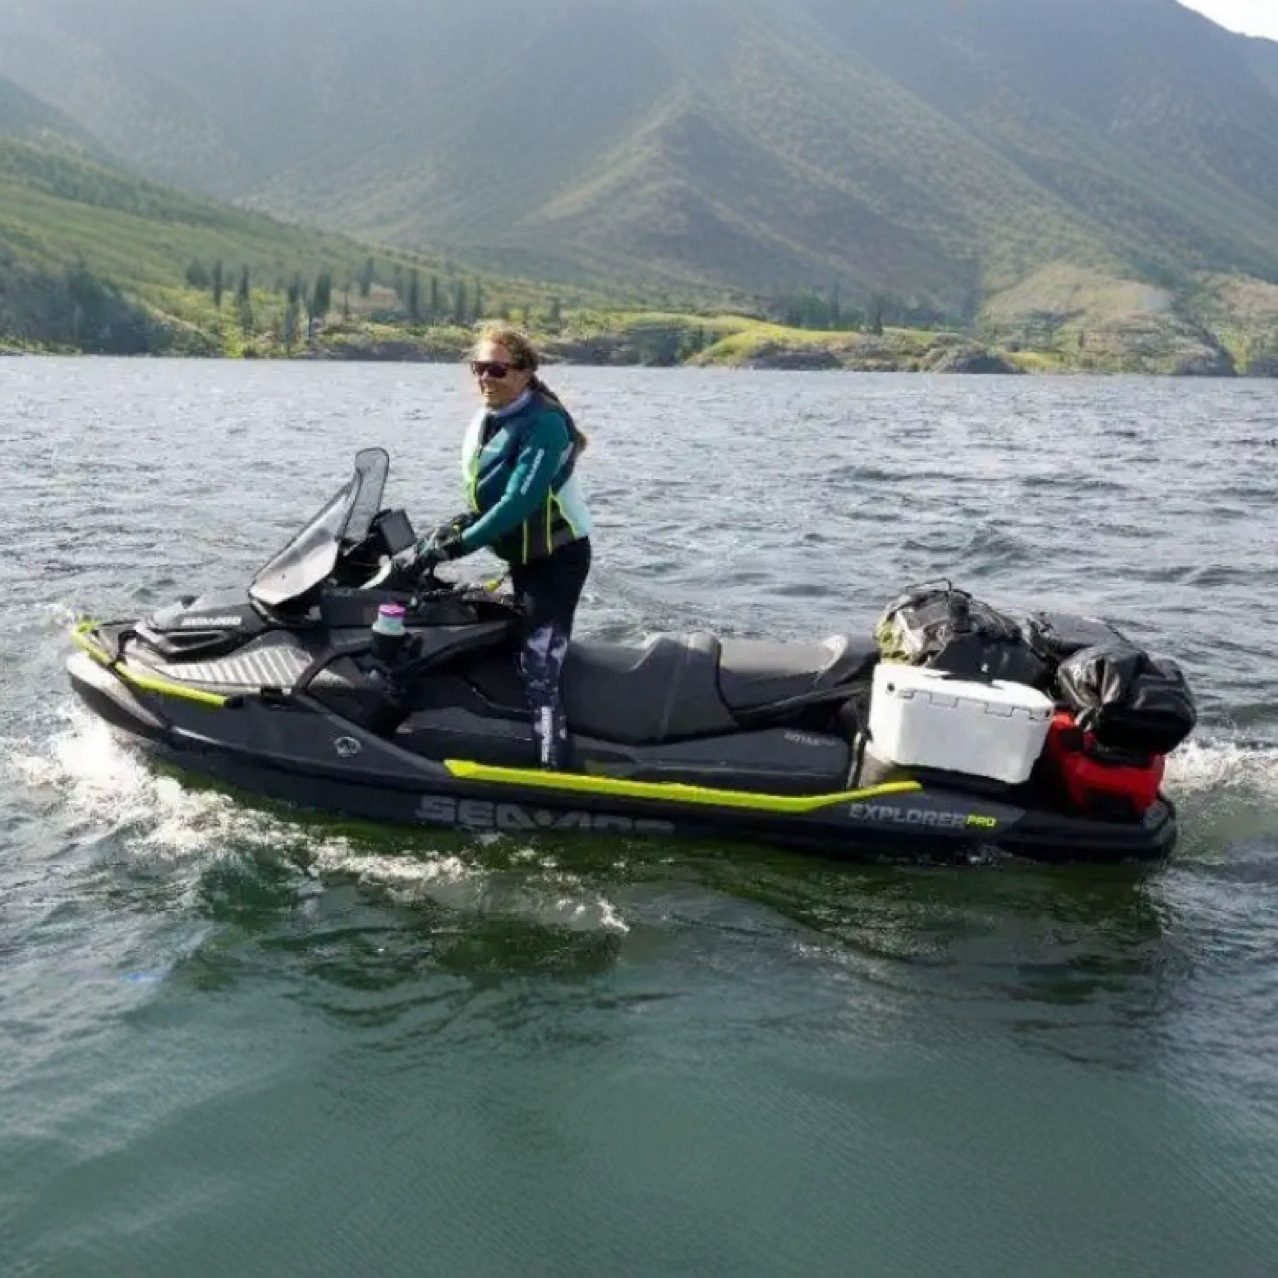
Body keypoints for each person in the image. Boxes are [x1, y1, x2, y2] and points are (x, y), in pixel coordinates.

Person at [418, 324, 592, 771]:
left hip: (556, 561)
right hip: (520, 556)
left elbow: (519, 501)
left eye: (497, 369)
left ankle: (555, 773)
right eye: (478, 367)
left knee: (539, 666)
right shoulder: (490, 417)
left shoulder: (545, 424)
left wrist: (458, 548)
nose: (485, 378)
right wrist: (453, 529)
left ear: (524, 372)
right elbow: (489, 495)